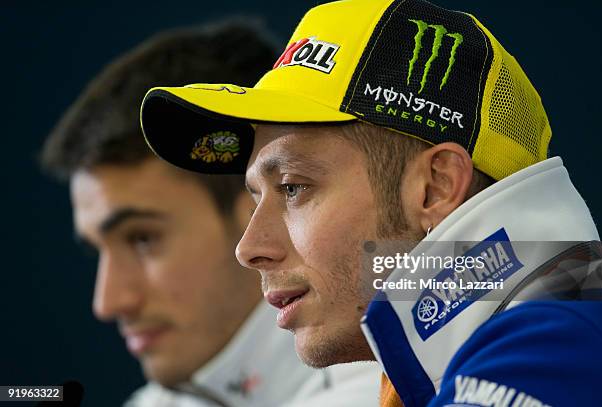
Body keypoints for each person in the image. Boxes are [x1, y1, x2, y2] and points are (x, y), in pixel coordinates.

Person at [139, 0, 602, 406]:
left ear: (436, 187)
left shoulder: (550, 349)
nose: (250, 247)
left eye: (292, 188)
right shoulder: (560, 317)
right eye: (256, 197)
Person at [41, 20, 380, 407]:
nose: (109, 301)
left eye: (143, 239)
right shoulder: (158, 401)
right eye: (98, 250)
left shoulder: (393, 385)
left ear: (259, 209)